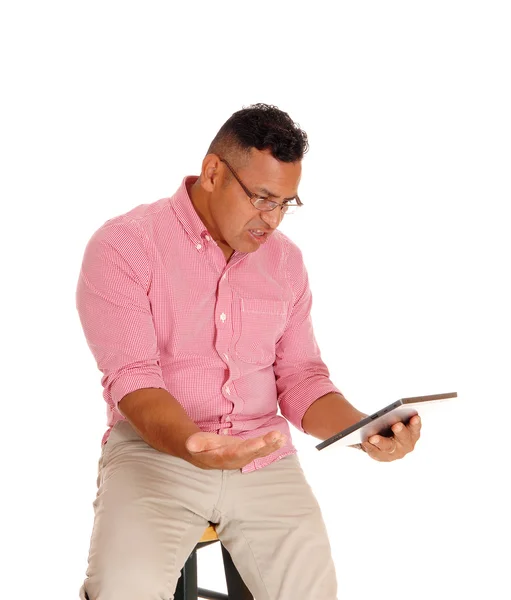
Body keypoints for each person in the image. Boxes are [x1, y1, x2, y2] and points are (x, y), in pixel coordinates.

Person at [76, 103, 421, 600]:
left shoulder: (285, 263)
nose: (273, 219)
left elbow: (301, 379)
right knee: (122, 591)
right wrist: (195, 443)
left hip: (263, 458)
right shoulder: (126, 245)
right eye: (262, 198)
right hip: (157, 453)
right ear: (213, 172)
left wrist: (364, 429)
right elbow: (133, 379)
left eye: (286, 203)